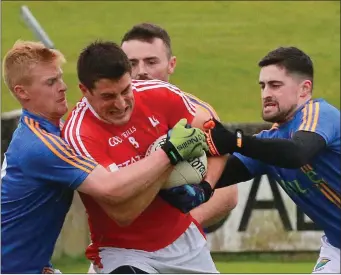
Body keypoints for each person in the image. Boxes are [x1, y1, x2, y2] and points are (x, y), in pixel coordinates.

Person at [1, 40, 208, 274]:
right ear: (22, 92)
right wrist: (170, 152)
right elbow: (110, 188)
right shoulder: (41, 145)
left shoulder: (43, 134)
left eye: (59, 77)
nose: (62, 87)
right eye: (50, 82)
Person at [62, 40, 225, 273]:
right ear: (84, 90)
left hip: (185, 243)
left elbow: (221, 140)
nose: (120, 104)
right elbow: (123, 213)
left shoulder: (159, 94)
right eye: (108, 96)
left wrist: (206, 187)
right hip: (123, 253)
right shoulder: (78, 135)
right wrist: (170, 156)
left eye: (126, 90)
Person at [204, 46, 340, 274]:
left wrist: (236, 141)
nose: (266, 93)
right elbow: (217, 175)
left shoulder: (320, 114)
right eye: (263, 86)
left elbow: (296, 153)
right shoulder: (269, 141)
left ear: (304, 89)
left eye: (275, 85)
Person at [120, 22, 238, 228]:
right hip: (118, 242)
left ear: (171, 64)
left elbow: (228, 193)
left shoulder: (198, 114)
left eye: (151, 62)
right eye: (131, 63)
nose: (141, 72)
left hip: (179, 245)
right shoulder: (108, 117)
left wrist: (180, 229)